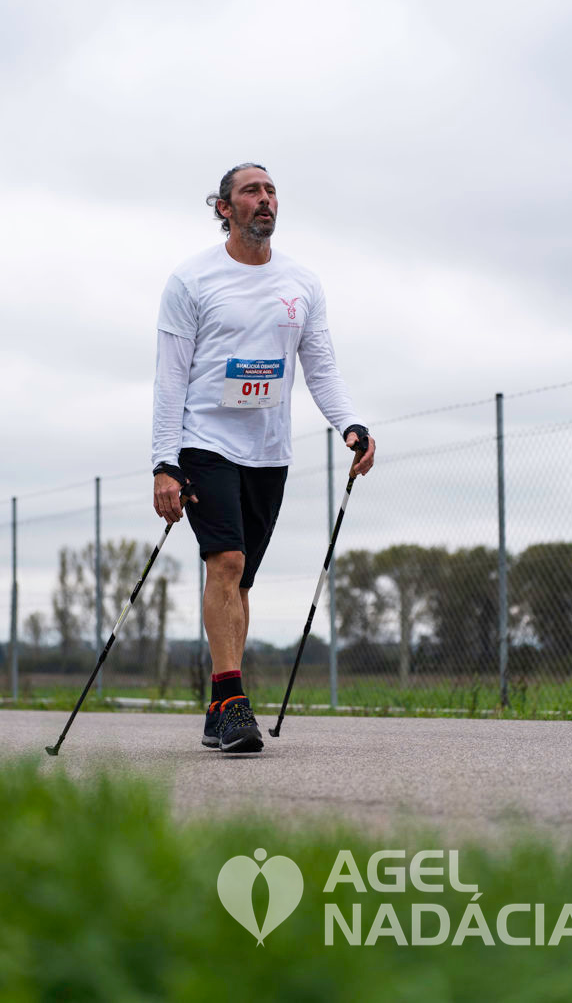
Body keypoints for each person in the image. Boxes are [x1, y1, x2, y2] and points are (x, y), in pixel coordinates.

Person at [152, 163, 375, 753]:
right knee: (225, 562)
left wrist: (350, 424)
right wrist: (164, 463)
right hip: (204, 442)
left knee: (242, 577)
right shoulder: (191, 280)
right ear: (224, 208)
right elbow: (169, 379)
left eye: (271, 190)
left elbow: (320, 366)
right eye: (251, 191)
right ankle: (234, 706)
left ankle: (218, 706)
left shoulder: (301, 283)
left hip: (269, 451)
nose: (265, 198)